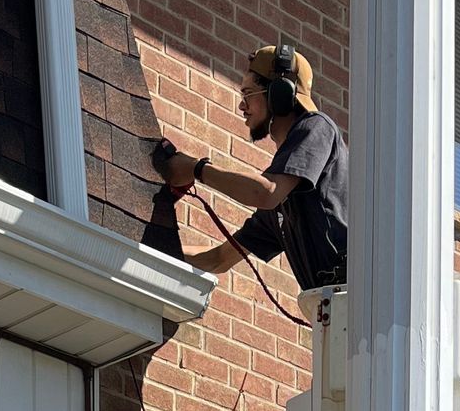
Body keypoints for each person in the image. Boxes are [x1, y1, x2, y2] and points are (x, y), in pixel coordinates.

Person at [146, 38, 348, 290]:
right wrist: (148, 246)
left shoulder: (317, 127)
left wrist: (196, 168)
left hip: (356, 305)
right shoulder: (281, 209)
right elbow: (217, 259)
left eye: (248, 93)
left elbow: (265, 192)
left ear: (280, 94)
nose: (242, 105)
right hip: (332, 312)